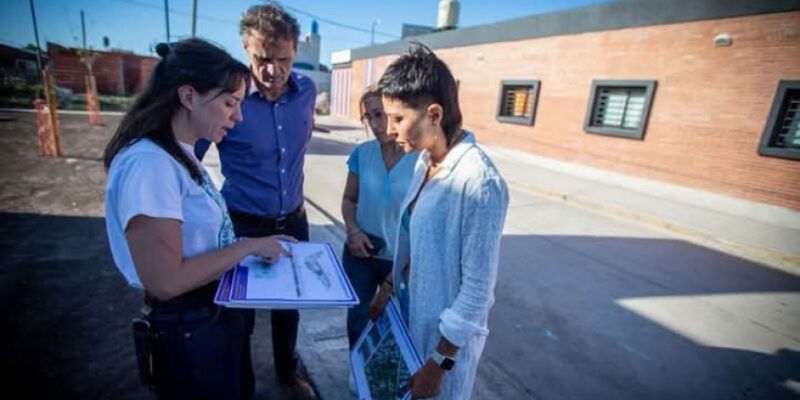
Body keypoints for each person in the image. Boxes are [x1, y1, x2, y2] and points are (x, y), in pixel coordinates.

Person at [103, 38, 294, 400]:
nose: (238, 116)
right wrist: (248, 246)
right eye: (229, 103)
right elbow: (166, 281)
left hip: (211, 314)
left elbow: (201, 242)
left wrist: (254, 247)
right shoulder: (150, 165)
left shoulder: (180, 154)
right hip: (188, 326)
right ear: (188, 96)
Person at [369, 45, 509, 399]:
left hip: (442, 356)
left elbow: (477, 294)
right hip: (411, 324)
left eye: (398, 119)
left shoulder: (479, 183)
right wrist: (388, 285)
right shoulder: (424, 161)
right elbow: (415, 242)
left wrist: (439, 365)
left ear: (433, 114)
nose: (389, 129)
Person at [194, 4, 317, 398]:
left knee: (289, 309)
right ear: (247, 50)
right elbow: (186, 159)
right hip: (242, 224)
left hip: (293, 222)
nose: (272, 70)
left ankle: (287, 372)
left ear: (295, 53)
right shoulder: (228, 100)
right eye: (262, 58)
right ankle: (242, 386)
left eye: (282, 59)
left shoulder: (307, 92)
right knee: (238, 317)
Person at [341, 85, 418, 348]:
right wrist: (353, 231)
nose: (374, 123)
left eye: (379, 114)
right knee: (358, 317)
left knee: (394, 324)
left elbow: (421, 227)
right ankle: (357, 369)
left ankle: (381, 380)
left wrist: (392, 281)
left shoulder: (420, 159)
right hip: (360, 253)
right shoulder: (362, 154)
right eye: (368, 117)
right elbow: (349, 200)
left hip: (399, 260)